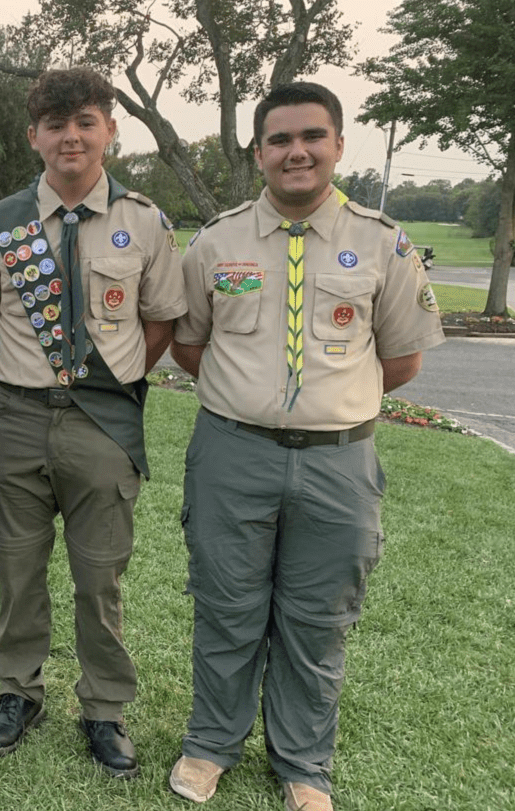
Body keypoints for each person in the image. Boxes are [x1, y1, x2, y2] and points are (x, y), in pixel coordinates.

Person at [167, 83, 445, 811]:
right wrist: (251, 402)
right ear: (257, 151)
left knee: (317, 619)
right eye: (279, 139)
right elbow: (190, 344)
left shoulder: (381, 240)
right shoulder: (214, 241)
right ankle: (209, 745)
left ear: (336, 145)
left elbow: (401, 359)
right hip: (233, 455)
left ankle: (301, 764)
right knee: (225, 608)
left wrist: (327, 405)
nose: (296, 151)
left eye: (311, 137)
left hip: (337, 461)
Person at [0, 67, 186, 778]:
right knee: (17, 572)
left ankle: (104, 709)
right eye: (54, 125)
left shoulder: (145, 223)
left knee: (99, 577)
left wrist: (104, 385)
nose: (70, 137)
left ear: (109, 131)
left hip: (103, 424)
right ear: (34, 137)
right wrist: (35, 385)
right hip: (18, 419)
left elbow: (158, 326)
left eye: (84, 122)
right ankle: (16, 695)